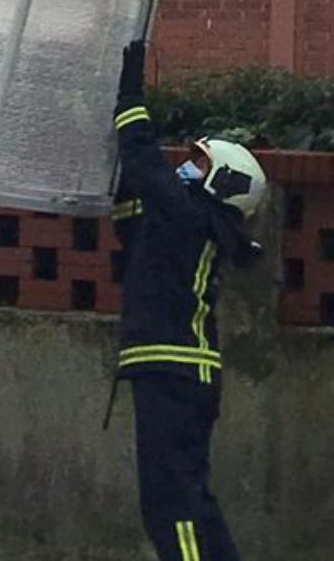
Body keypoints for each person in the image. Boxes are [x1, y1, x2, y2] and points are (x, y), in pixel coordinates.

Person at [111, 41, 267, 561]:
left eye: (198, 164)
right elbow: (133, 216)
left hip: (172, 372)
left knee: (170, 506)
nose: (185, 168)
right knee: (193, 499)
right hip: (184, 373)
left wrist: (129, 93)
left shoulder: (188, 215)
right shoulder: (191, 223)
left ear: (221, 181)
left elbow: (140, 153)